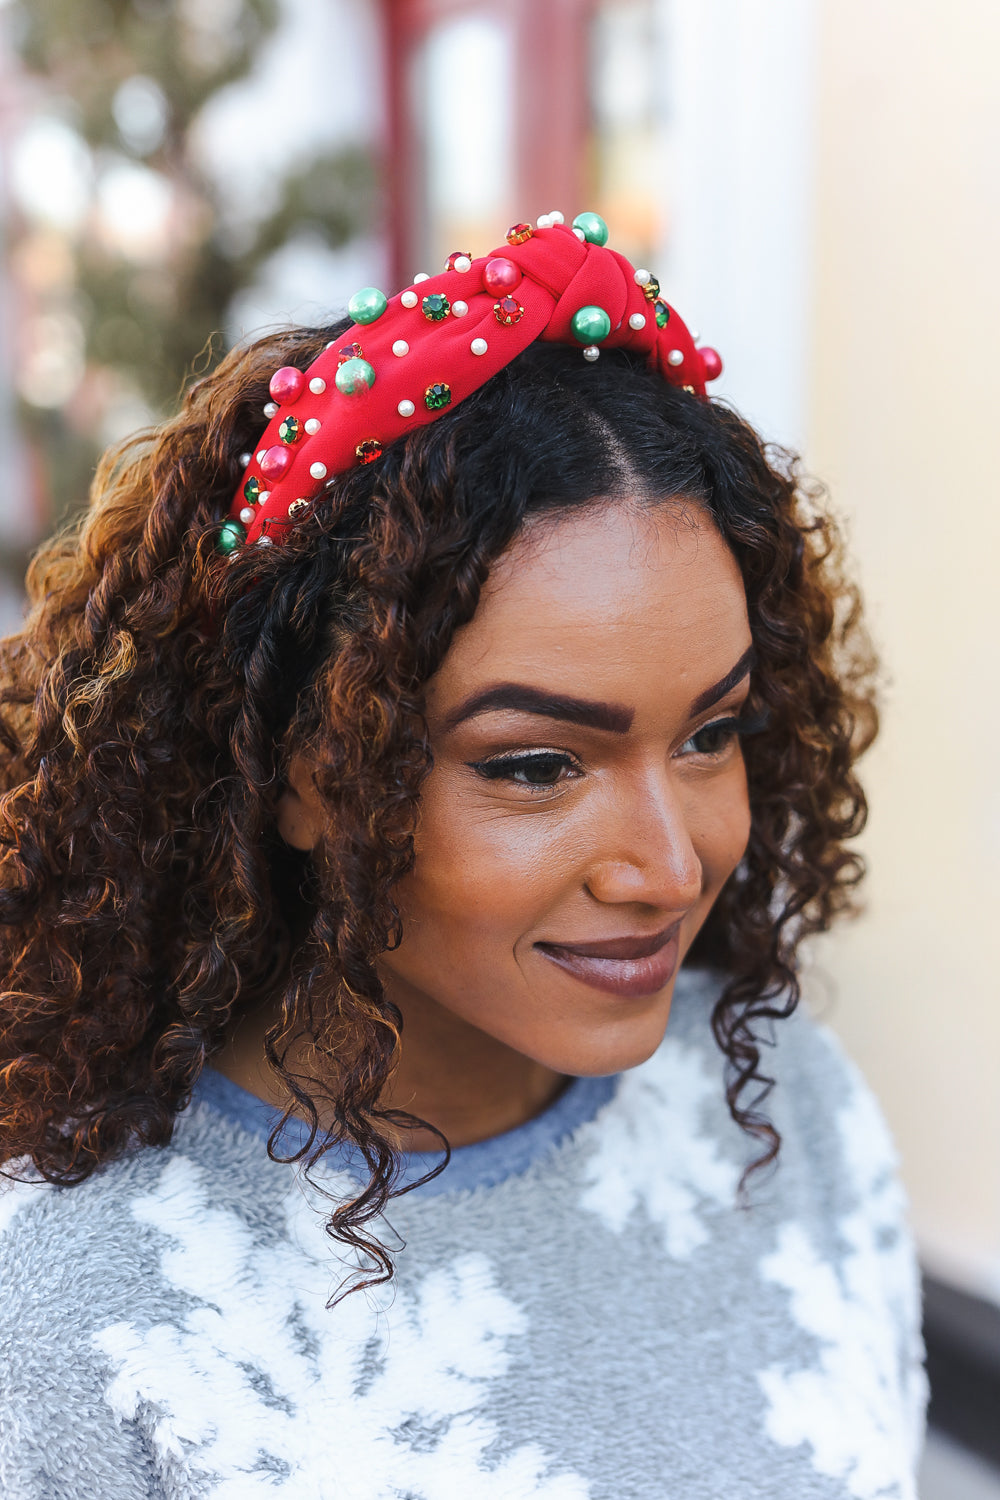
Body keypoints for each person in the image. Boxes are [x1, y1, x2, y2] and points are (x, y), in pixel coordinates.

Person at [0, 212, 925, 1498]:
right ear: (303, 780)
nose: (666, 866)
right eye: (537, 764)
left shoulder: (780, 1104)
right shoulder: (68, 1304)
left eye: (711, 733)